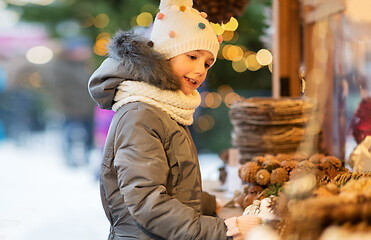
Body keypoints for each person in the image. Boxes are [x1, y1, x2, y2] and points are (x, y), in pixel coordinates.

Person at [88, 0, 231, 239]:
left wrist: (212, 204)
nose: (200, 70)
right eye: (192, 56)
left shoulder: (168, 108)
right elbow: (147, 202)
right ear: (165, 54)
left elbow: (173, 185)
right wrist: (222, 230)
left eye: (207, 63)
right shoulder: (141, 114)